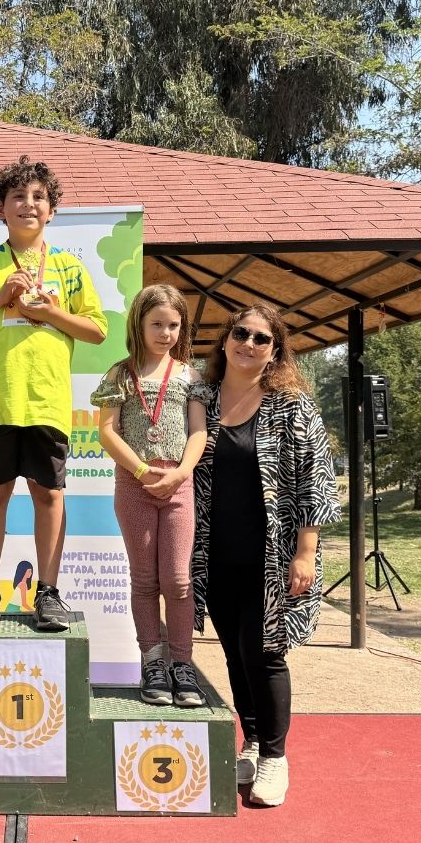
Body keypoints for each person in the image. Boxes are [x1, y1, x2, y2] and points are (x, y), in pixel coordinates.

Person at [0, 155, 107, 632]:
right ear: (1, 208)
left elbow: (97, 330)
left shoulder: (69, 267)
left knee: (49, 495)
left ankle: (49, 592)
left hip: (47, 402)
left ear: (52, 210)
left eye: (39, 197)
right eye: (18, 196)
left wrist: (50, 314)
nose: (28, 204)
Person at [191, 304, 340, 807]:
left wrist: (306, 551)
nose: (248, 344)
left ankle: (276, 757)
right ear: (225, 340)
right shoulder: (202, 401)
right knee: (235, 652)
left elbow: (316, 481)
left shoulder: (291, 406)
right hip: (215, 553)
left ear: (275, 351)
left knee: (265, 652)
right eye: (241, 333)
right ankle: (252, 741)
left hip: (272, 558)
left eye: (261, 338)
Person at [93, 284, 209, 708]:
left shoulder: (190, 376)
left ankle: (182, 664)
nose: (165, 333)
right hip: (134, 486)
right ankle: (153, 662)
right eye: (157, 324)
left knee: (177, 580)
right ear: (139, 325)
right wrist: (141, 471)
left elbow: (198, 431)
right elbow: (107, 432)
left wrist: (180, 473)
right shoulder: (119, 375)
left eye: (173, 325)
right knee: (144, 580)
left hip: (178, 484)